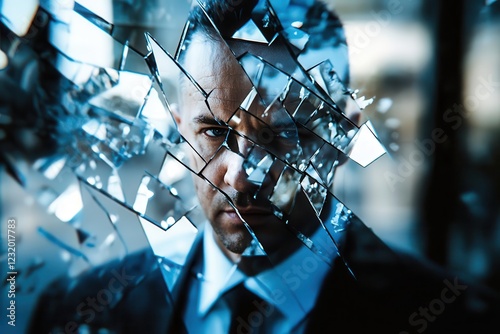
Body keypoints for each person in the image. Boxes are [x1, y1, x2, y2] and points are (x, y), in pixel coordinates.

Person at [28, 1, 499, 333]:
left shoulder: (461, 320)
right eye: (213, 132)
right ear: (179, 130)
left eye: (279, 136)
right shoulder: (77, 312)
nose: (240, 176)